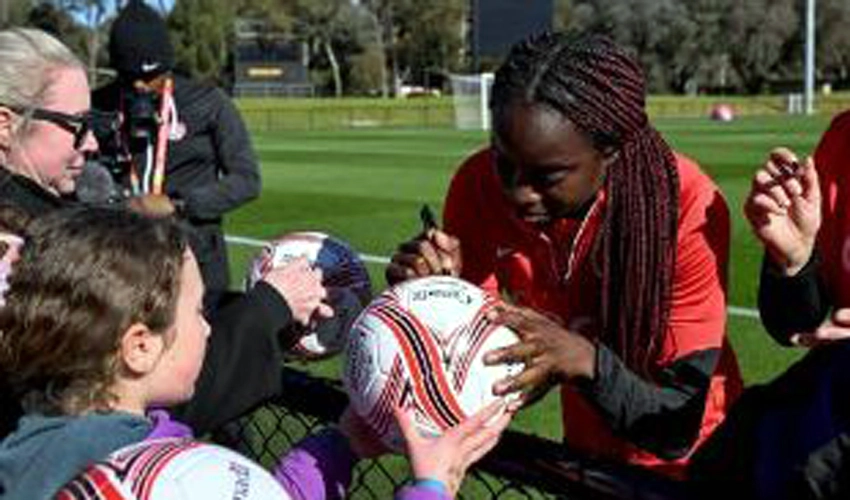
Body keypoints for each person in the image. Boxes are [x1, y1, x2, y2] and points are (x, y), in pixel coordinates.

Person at [386, 32, 743, 478]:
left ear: (608, 152)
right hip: (587, 458)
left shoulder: (684, 205)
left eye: (547, 175)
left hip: (699, 465)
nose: (517, 193)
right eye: (504, 162)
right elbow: (467, 362)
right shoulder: (479, 184)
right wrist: (430, 296)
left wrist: (583, 360)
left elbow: (677, 426)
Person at [0, 206, 513, 500]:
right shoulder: (141, 475)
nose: (209, 330)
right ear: (139, 347)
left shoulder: (36, 447)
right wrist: (430, 488)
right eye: (200, 313)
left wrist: (339, 447)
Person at [0, 27, 328, 437]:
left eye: (94, 125)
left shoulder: (35, 222)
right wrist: (270, 308)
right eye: (76, 125)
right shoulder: (36, 246)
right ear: (5, 125)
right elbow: (139, 388)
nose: (91, 145)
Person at [688, 110, 850, 498]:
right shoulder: (843, 139)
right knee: (719, 465)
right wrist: (794, 261)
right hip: (834, 395)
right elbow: (792, 325)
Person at [92, 0, 262, 303]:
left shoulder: (207, 101)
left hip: (196, 257)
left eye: (151, 76)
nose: (142, 86)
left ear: (167, 66)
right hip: (120, 258)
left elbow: (247, 180)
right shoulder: (99, 104)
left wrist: (177, 204)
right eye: (131, 78)